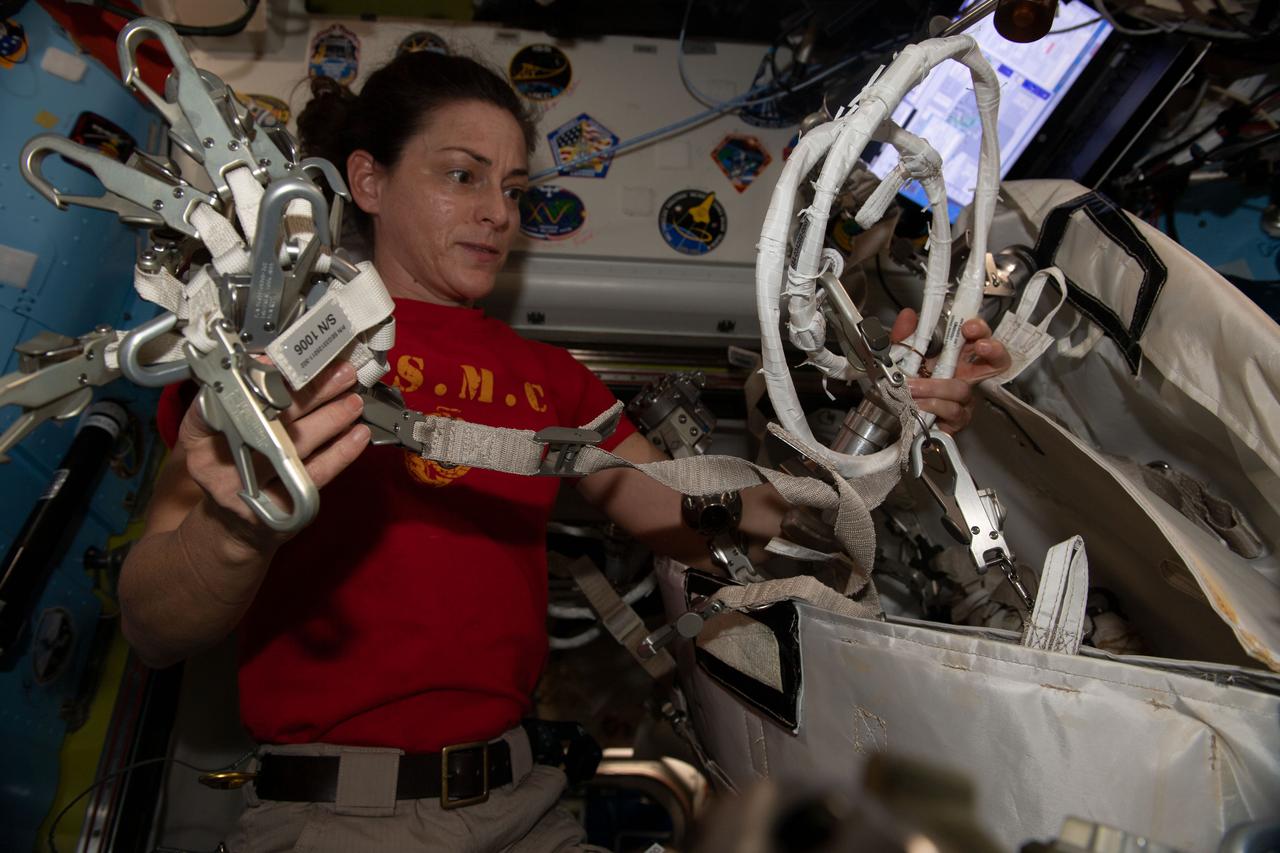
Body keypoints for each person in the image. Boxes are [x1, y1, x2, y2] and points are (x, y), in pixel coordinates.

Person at [118, 50, 1010, 853]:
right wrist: (238, 527)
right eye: (462, 176)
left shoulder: (550, 379)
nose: (496, 213)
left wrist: (880, 433)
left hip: (529, 810)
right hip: (336, 821)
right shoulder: (267, 352)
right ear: (369, 181)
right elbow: (152, 625)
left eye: (512, 188)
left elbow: (694, 524)